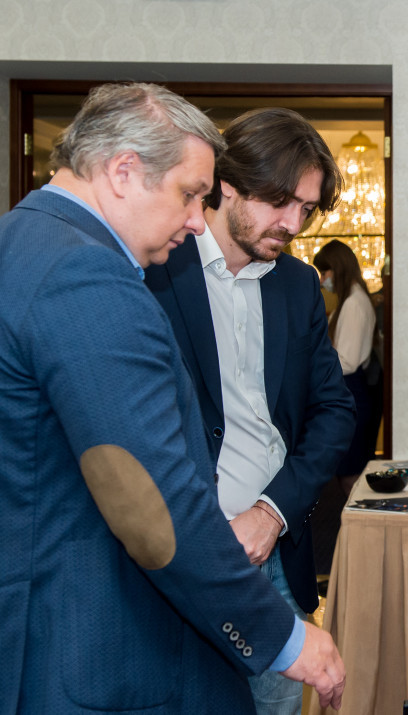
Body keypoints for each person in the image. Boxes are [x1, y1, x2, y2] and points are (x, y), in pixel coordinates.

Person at [0, 83, 345, 712]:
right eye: (189, 193)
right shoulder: (88, 274)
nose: (195, 218)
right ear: (123, 172)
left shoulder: (19, 238)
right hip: (93, 634)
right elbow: (151, 499)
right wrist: (285, 637)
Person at [145, 107, 356, 715]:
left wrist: (272, 512)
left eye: (307, 209)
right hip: (185, 557)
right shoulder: (157, 268)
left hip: (279, 554)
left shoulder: (297, 284)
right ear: (228, 183)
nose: (294, 224)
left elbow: (333, 412)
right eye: (280, 202)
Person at [313, 239, 380, 483]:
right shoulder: (351, 299)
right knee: (348, 468)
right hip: (352, 387)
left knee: (350, 472)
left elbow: (347, 362)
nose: (323, 280)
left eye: (325, 272)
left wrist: (313, 369)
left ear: (338, 268)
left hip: (352, 387)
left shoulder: (353, 303)